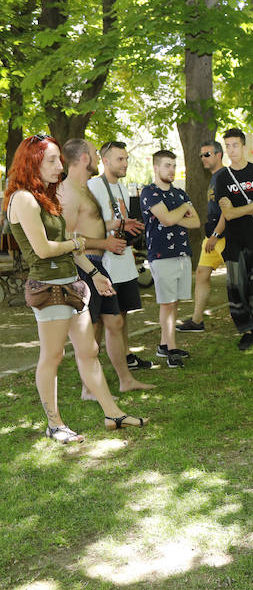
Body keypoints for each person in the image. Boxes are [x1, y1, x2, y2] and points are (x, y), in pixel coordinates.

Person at [4, 135, 147, 442]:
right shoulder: (24, 199)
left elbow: (71, 247)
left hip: (72, 284)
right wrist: (79, 243)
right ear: (32, 163)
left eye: (59, 159)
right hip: (48, 287)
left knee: (89, 350)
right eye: (52, 160)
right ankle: (54, 424)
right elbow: (43, 249)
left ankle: (113, 414)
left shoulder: (48, 197)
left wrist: (95, 273)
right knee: (52, 356)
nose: (60, 166)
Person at [58, 138, 154, 396]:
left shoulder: (85, 189)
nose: (98, 157)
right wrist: (105, 243)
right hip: (87, 265)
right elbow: (68, 239)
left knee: (115, 323)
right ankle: (88, 388)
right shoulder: (71, 191)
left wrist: (117, 231)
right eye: (94, 153)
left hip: (101, 266)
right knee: (93, 328)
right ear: (86, 158)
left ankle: (125, 379)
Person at [87, 140, 152, 370]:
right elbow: (84, 228)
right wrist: (112, 228)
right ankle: (90, 365)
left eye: (126, 158)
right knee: (100, 319)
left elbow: (120, 220)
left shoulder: (122, 188)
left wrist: (127, 228)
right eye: (120, 159)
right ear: (105, 161)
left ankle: (126, 356)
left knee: (122, 312)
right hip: (104, 263)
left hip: (123, 259)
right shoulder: (93, 186)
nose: (125, 163)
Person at [215, 127, 253, 351]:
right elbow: (228, 214)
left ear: (244, 146)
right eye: (227, 146)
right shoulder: (222, 178)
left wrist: (244, 207)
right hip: (235, 241)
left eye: (235, 145)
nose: (231, 150)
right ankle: (245, 331)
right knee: (237, 286)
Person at [140, 150, 200, 368]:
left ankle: (164, 345)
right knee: (166, 303)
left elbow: (196, 223)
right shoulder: (150, 192)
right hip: (161, 254)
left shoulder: (179, 193)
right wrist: (182, 211)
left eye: (173, 165)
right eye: (167, 165)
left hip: (182, 253)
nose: (171, 170)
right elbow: (165, 219)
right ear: (156, 168)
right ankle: (172, 349)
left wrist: (173, 217)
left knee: (174, 302)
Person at [177, 140, 227, 333]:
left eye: (207, 154)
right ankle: (197, 321)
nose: (202, 159)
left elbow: (227, 210)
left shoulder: (225, 177)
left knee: (240, 279)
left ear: (219, 155)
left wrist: (215, 234)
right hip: (213, 237)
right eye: (201, 155)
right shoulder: (214, 178)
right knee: (201, 274)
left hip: (225, 237)